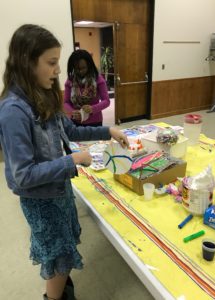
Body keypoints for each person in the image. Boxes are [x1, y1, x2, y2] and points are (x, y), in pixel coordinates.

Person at [0, 24, 129, 300]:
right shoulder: (13, 111)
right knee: (57, 255)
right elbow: (22, 175)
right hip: (42, 202)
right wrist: (70, 161)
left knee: (64, 251)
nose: (59, 70)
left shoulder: (43, 93)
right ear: (26, 62)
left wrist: (108, 130)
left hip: (59, 191)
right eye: (52, 63)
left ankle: (62, 288)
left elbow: (70, 131)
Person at [64, 49, 110, 126]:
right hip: (75, 122)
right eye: (77, 69)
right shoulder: (70, 80)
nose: (80, 71)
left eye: (83, 68)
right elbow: (66, 102)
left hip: (95, 122)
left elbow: (106, 101)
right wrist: (72, 111)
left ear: (89, 65)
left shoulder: (98, 79)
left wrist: (92, 109)